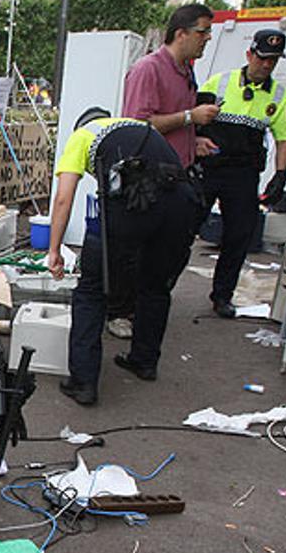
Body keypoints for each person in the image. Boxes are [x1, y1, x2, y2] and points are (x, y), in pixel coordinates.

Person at [47, 108, 197, 406]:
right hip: (181, 204)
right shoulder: (140, 129)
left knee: (91, 292)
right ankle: (144, 361)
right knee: (154, 285)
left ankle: (83, 382)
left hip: (135, 205)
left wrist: (54, 250)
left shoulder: (82, 136)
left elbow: (64, 196)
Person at [112, 2, 219, 339]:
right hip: (150, 179)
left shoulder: (185, 72)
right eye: (202, 32)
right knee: (138, 253)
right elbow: (137, 124)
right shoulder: (149, 69)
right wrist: (190, 118)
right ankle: (122, 311)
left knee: (169, 254)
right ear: (181, 33)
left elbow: (171, 122)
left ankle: (144, 315)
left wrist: (194, 139)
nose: (206, 40)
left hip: (180, 176)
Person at [196, 29, 286, 319]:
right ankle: (163, 285)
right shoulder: (220, 82)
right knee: (184, 227)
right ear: (250, 54)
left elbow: (283, 138)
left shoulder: (278, 95)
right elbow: (195, 118)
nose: (266, 65)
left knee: (239, 235)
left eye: (273, 60)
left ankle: (222, 296)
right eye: (262, 58)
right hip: (210, 168)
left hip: (243, 173)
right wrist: (197, 140)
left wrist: (281, 174)